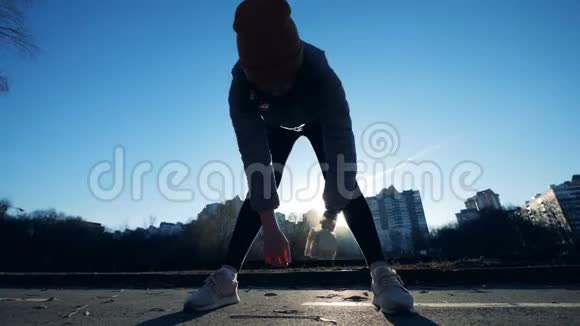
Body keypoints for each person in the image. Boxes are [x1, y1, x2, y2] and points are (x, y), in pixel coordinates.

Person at [184, 0, 415, 315]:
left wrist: (328, 222)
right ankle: (226, 279)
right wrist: (270, 225)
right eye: (267, 83)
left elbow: (341, 156)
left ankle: (381, 275)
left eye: (284, 78)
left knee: (345, 183)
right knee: (262, 187)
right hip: (275, 127)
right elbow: (255, 159)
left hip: (318, 121)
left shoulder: (322, 76)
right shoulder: (240, 88)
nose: (278, 90)